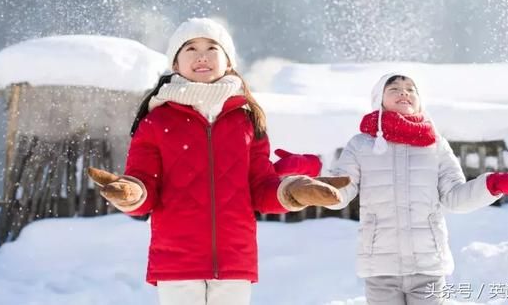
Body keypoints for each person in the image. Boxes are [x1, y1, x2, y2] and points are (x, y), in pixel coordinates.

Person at [88, 17, 349, 305]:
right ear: (175, 65)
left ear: (228, 62)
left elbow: (260, 187)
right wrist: (131, 192)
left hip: (235, 258)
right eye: (190, 48)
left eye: (212, 47)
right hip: (177, 260)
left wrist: (294, 191)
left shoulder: (247, 119)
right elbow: (144, 184)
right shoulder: (156, 121)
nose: (202, 55)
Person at [326, 71, 508, 305]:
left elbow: (454, 197)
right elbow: (341, 190)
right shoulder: (361, 144)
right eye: (394, 89)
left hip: (428, 265)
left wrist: (493, 185)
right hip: (381, 267)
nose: (404, 92)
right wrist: (314, 187)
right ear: (379, 99)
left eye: (411, 89)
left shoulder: (436, 145)